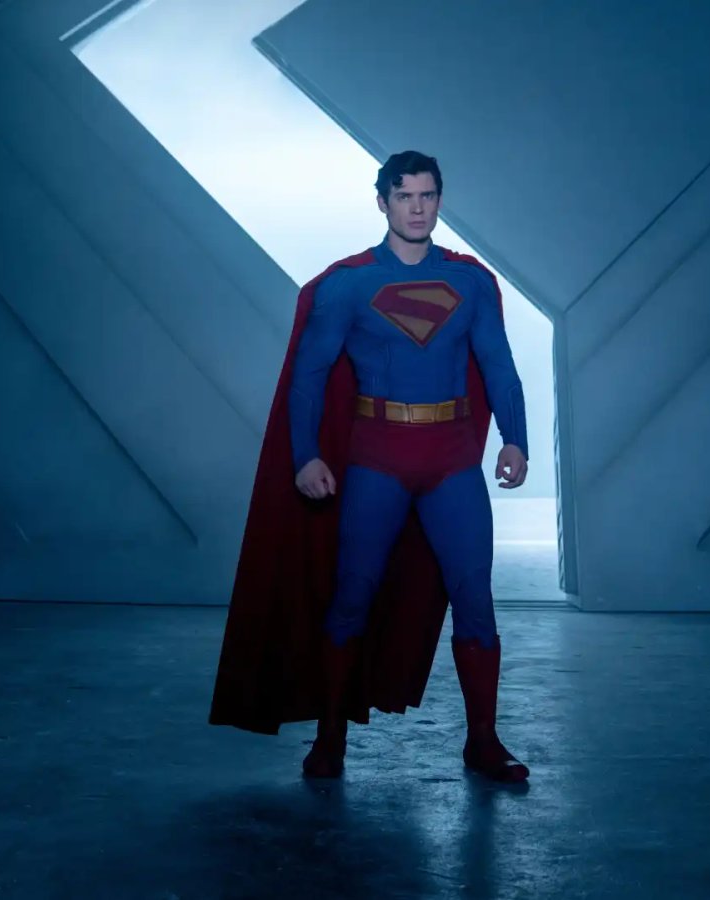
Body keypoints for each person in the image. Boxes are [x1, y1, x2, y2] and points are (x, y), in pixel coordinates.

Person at [209, 150, 530, 784]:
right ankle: (330, 739)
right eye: (404, 196)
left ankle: (483, 741)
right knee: (352, 596)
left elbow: (498, 363)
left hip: (451, 461)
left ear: (440, 201)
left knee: (475, 600)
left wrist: (515, 440)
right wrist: (305, 455)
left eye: (427, 195)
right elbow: (309, 377)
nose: (417, 208)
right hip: (376, 459)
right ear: (382, 201)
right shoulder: (347, 284)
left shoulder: (470, 281)